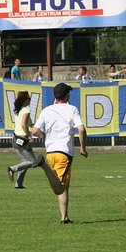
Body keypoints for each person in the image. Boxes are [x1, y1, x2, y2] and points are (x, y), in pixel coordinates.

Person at [30, 82, 88, 224]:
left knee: (64, 186)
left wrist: (45, 137)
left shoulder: (47, 110)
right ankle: (43, 165)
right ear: (67, 95)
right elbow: (81, 129)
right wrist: (83, 148)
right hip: (64, 153)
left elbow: (35, 131)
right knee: (59, 189)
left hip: (51, 151)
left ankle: (64, 217)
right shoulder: (72, 109)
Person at [6, 90, 44, 189]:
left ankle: (19, 183)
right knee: (32, 162)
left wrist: (40, 129)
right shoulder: (26, 111)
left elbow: (30, 124)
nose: (30, 100)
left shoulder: (19, 110)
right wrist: (29, 136)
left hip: (15, 138)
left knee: (25, 162)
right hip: (22, 138)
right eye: (28, 98)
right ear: (25, 100)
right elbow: (23, 124)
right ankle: (13, 169)